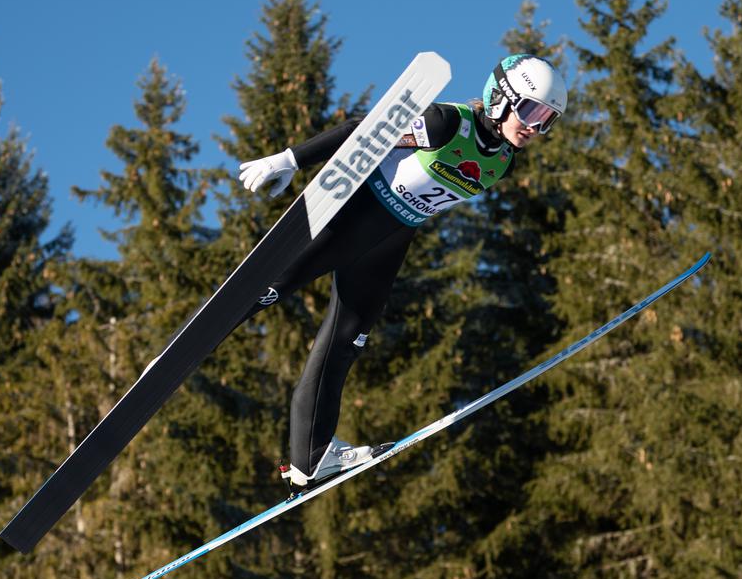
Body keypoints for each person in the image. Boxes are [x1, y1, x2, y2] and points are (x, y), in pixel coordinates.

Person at [235, 54, 567, 491]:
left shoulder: (504, 160)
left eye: (547, 121)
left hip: (389, 244)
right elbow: (364, 132)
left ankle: (311, 458)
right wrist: (290, 160)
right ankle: (172, 355)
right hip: (351, 220)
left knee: (344, 344)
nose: (534, 127)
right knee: (263, 291)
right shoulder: (448, 123)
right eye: (530, 112)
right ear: (500, 97)